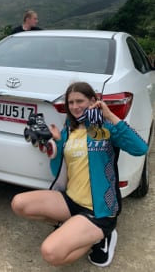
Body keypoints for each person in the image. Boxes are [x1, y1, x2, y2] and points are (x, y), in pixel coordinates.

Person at [11, 82, 148, 267]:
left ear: (93, 101)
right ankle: (74, 227)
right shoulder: (69, 129)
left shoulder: (103, 127)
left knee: (51, 253)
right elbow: (57, 170)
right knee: (19, 204)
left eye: (80, 101)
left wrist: (109, 115)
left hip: (98, 211)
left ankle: (101, 236)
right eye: (71, 102)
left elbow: (140, 149)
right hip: (71, 200)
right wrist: (57, 143)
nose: (75, 107)